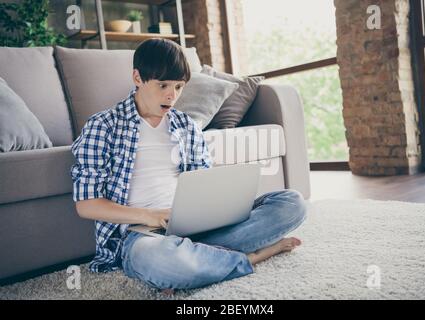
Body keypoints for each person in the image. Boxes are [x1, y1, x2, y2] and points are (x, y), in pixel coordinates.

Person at [71, 38, 307, 293]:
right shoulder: (102, 126)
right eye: (162, 85)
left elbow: (201, 182)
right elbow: (87, 205)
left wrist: (220, 207)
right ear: (137, 78)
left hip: (196, 226)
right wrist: (150, 215)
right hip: (143, 236)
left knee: (292, 203)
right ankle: (250, 257)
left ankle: (195, 261)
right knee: (159, 260)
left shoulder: (186, 125)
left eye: (179, 87)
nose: (172, 96)